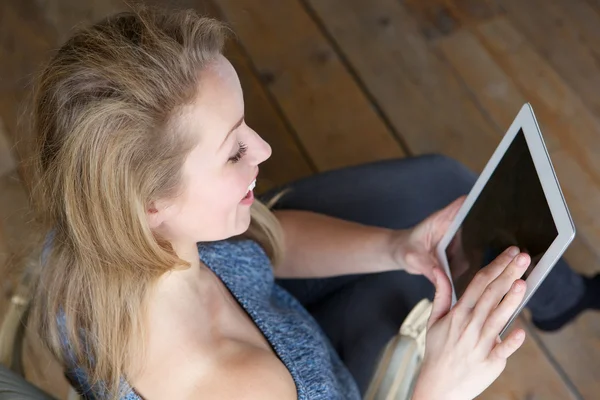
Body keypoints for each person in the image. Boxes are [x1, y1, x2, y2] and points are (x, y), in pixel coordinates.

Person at [18, 7, 599, 400]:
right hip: (320, 371)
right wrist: (438, 388)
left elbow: (261, 246)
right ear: (151, 202)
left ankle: (559, 302)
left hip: (283, 318)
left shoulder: (101, 228)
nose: (264, 148)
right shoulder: (235, 386)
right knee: (430, 288)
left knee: (441, 189)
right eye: (233, 152)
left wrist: (397, 246)